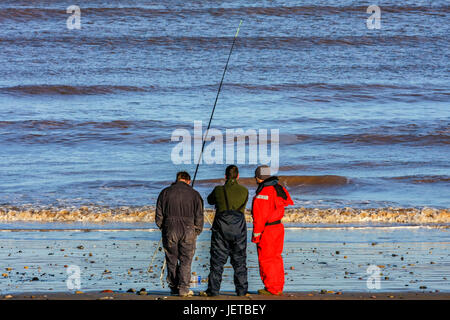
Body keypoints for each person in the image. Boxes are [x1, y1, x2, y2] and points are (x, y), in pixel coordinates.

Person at [200, 165, 249, 297]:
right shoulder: (245, 191)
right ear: (238, 176)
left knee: (217, 260)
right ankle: (241, 291)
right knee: (239, 260)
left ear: (225, 176)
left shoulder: (218, 190)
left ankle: (213, 290)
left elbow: (210, 200)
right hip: (238, 228)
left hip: (221, 228)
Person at [155, 171, 204, 297]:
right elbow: (199, 216)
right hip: (188, 229)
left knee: (171, 259)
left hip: (170, 228)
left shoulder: (165, 192)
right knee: (186, 260)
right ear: (188, 181)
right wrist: (197, 230)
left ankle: (174, 286)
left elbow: (159, 216)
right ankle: (183, 288)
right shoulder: (195, 194)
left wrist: (163, 227)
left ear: (177, 179)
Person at [251, 165, 293, 295]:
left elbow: (259, 217)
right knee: (276, 257)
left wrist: (256, 236)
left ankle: (272, 288)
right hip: (278, 228)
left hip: (267, 230)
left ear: (258, 178)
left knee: (266, 259)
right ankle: (278, 286)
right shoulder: (279, 188)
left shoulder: (263, 193)